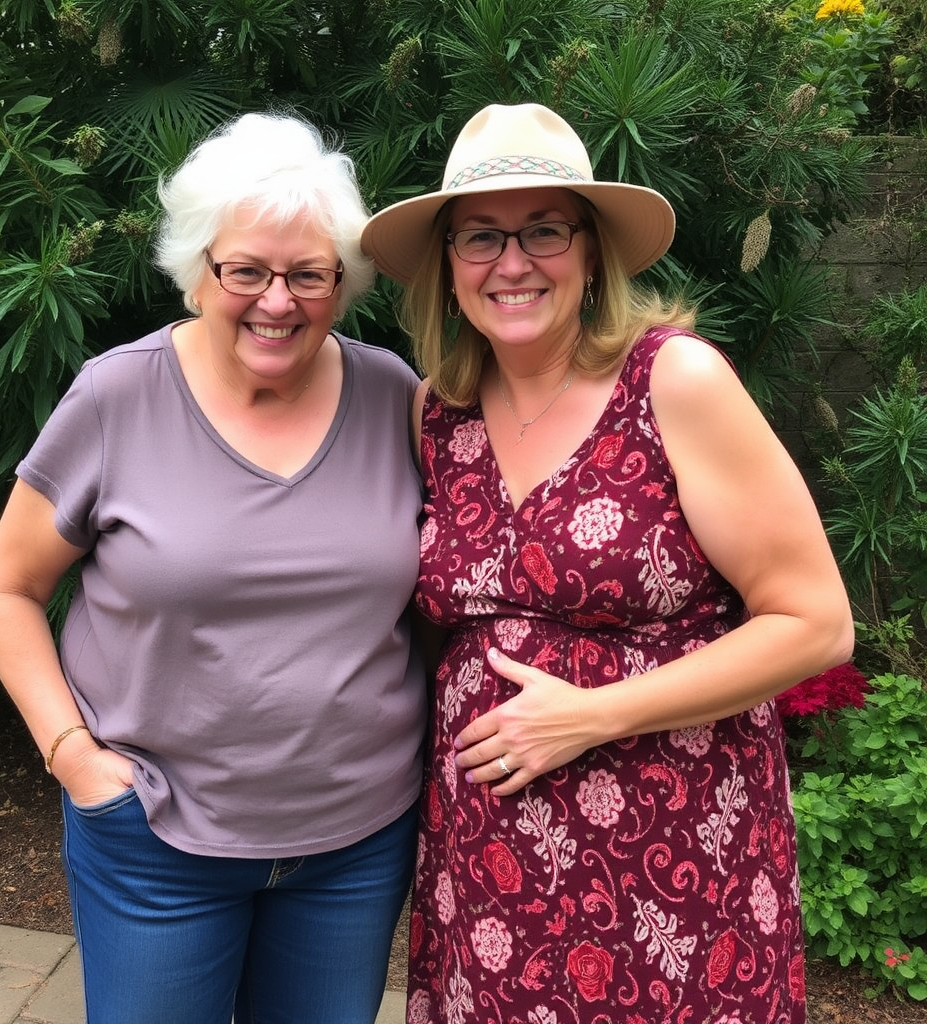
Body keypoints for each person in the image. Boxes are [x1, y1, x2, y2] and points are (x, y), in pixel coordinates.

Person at [361, 103, 854, 1024]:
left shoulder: (674, 381)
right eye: (480, 238)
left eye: (543, 229)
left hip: (674, 852)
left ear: (590, 251)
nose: (512, 262)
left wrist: (591, 717)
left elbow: (816, 622)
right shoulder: (438, 412)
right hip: (493, 861)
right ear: (449, 267)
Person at [0, 111, 426, 1024]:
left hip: (355, 844)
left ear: (343, 281)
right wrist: (73, 759)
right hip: (154, 843)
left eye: (309, 274)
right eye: (247, 270)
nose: (277, 300)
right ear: (198, 271)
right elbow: (5, 585)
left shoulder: (395, 399)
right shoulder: (119, 395)